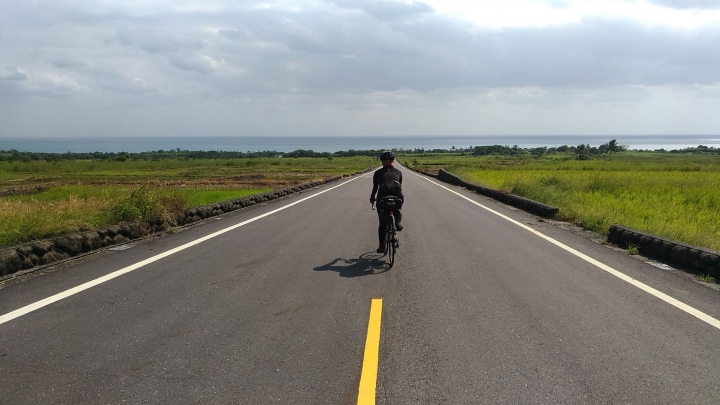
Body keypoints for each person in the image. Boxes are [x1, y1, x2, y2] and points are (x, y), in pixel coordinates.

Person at [370, 151, 404, 253]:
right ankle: (398, 222)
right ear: (393, 161)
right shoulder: (399, 172)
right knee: (397, 207)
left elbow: (375, 188)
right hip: (397, 196)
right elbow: (400, 187)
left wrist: (372, 198)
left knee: (382, 223)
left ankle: (381, 246)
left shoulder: (377, 173)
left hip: (382, 198)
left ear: (382, 162)